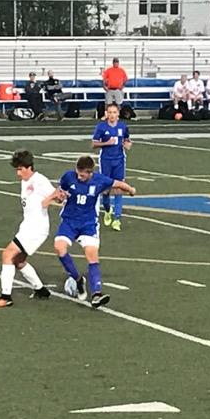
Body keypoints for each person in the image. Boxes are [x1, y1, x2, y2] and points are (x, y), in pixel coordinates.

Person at [49, 155, 135, 308]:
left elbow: (117, 183)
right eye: (78, 173)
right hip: (69, 221)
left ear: (90, 173)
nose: (80, 177)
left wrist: (130, 190)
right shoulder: (69, 177)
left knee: (92, 255)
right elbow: (60, 191)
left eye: (83, 175)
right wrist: (59, 197)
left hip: (88, 224)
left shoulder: (100, 180)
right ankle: (77, 279)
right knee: (59, 248)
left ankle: (97, 293)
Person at [0, 150, 55, 308]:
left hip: (36, 228)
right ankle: (41, 290)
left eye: (20, 169)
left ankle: (5, 297)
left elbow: (57, 195)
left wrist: (53, 198)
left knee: (7, 254)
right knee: (18, 260)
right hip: (28, 226)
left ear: (28, 167)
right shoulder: (25, 181)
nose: (18, 173)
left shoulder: (40, 180)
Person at [92, 103, 131, 231]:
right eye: (110, 112)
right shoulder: (101, 127)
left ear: (118, 114)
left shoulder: (123, 127)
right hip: (106, 161)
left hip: (119, 160)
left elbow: (127, 140)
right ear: (106, 114)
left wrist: (127, 144)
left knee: (119, 188)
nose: (112, 115)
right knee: (106, 189)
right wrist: (106, 143)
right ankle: (108, 209)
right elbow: (94, 144)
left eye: (115, 112)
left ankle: (117, 218)